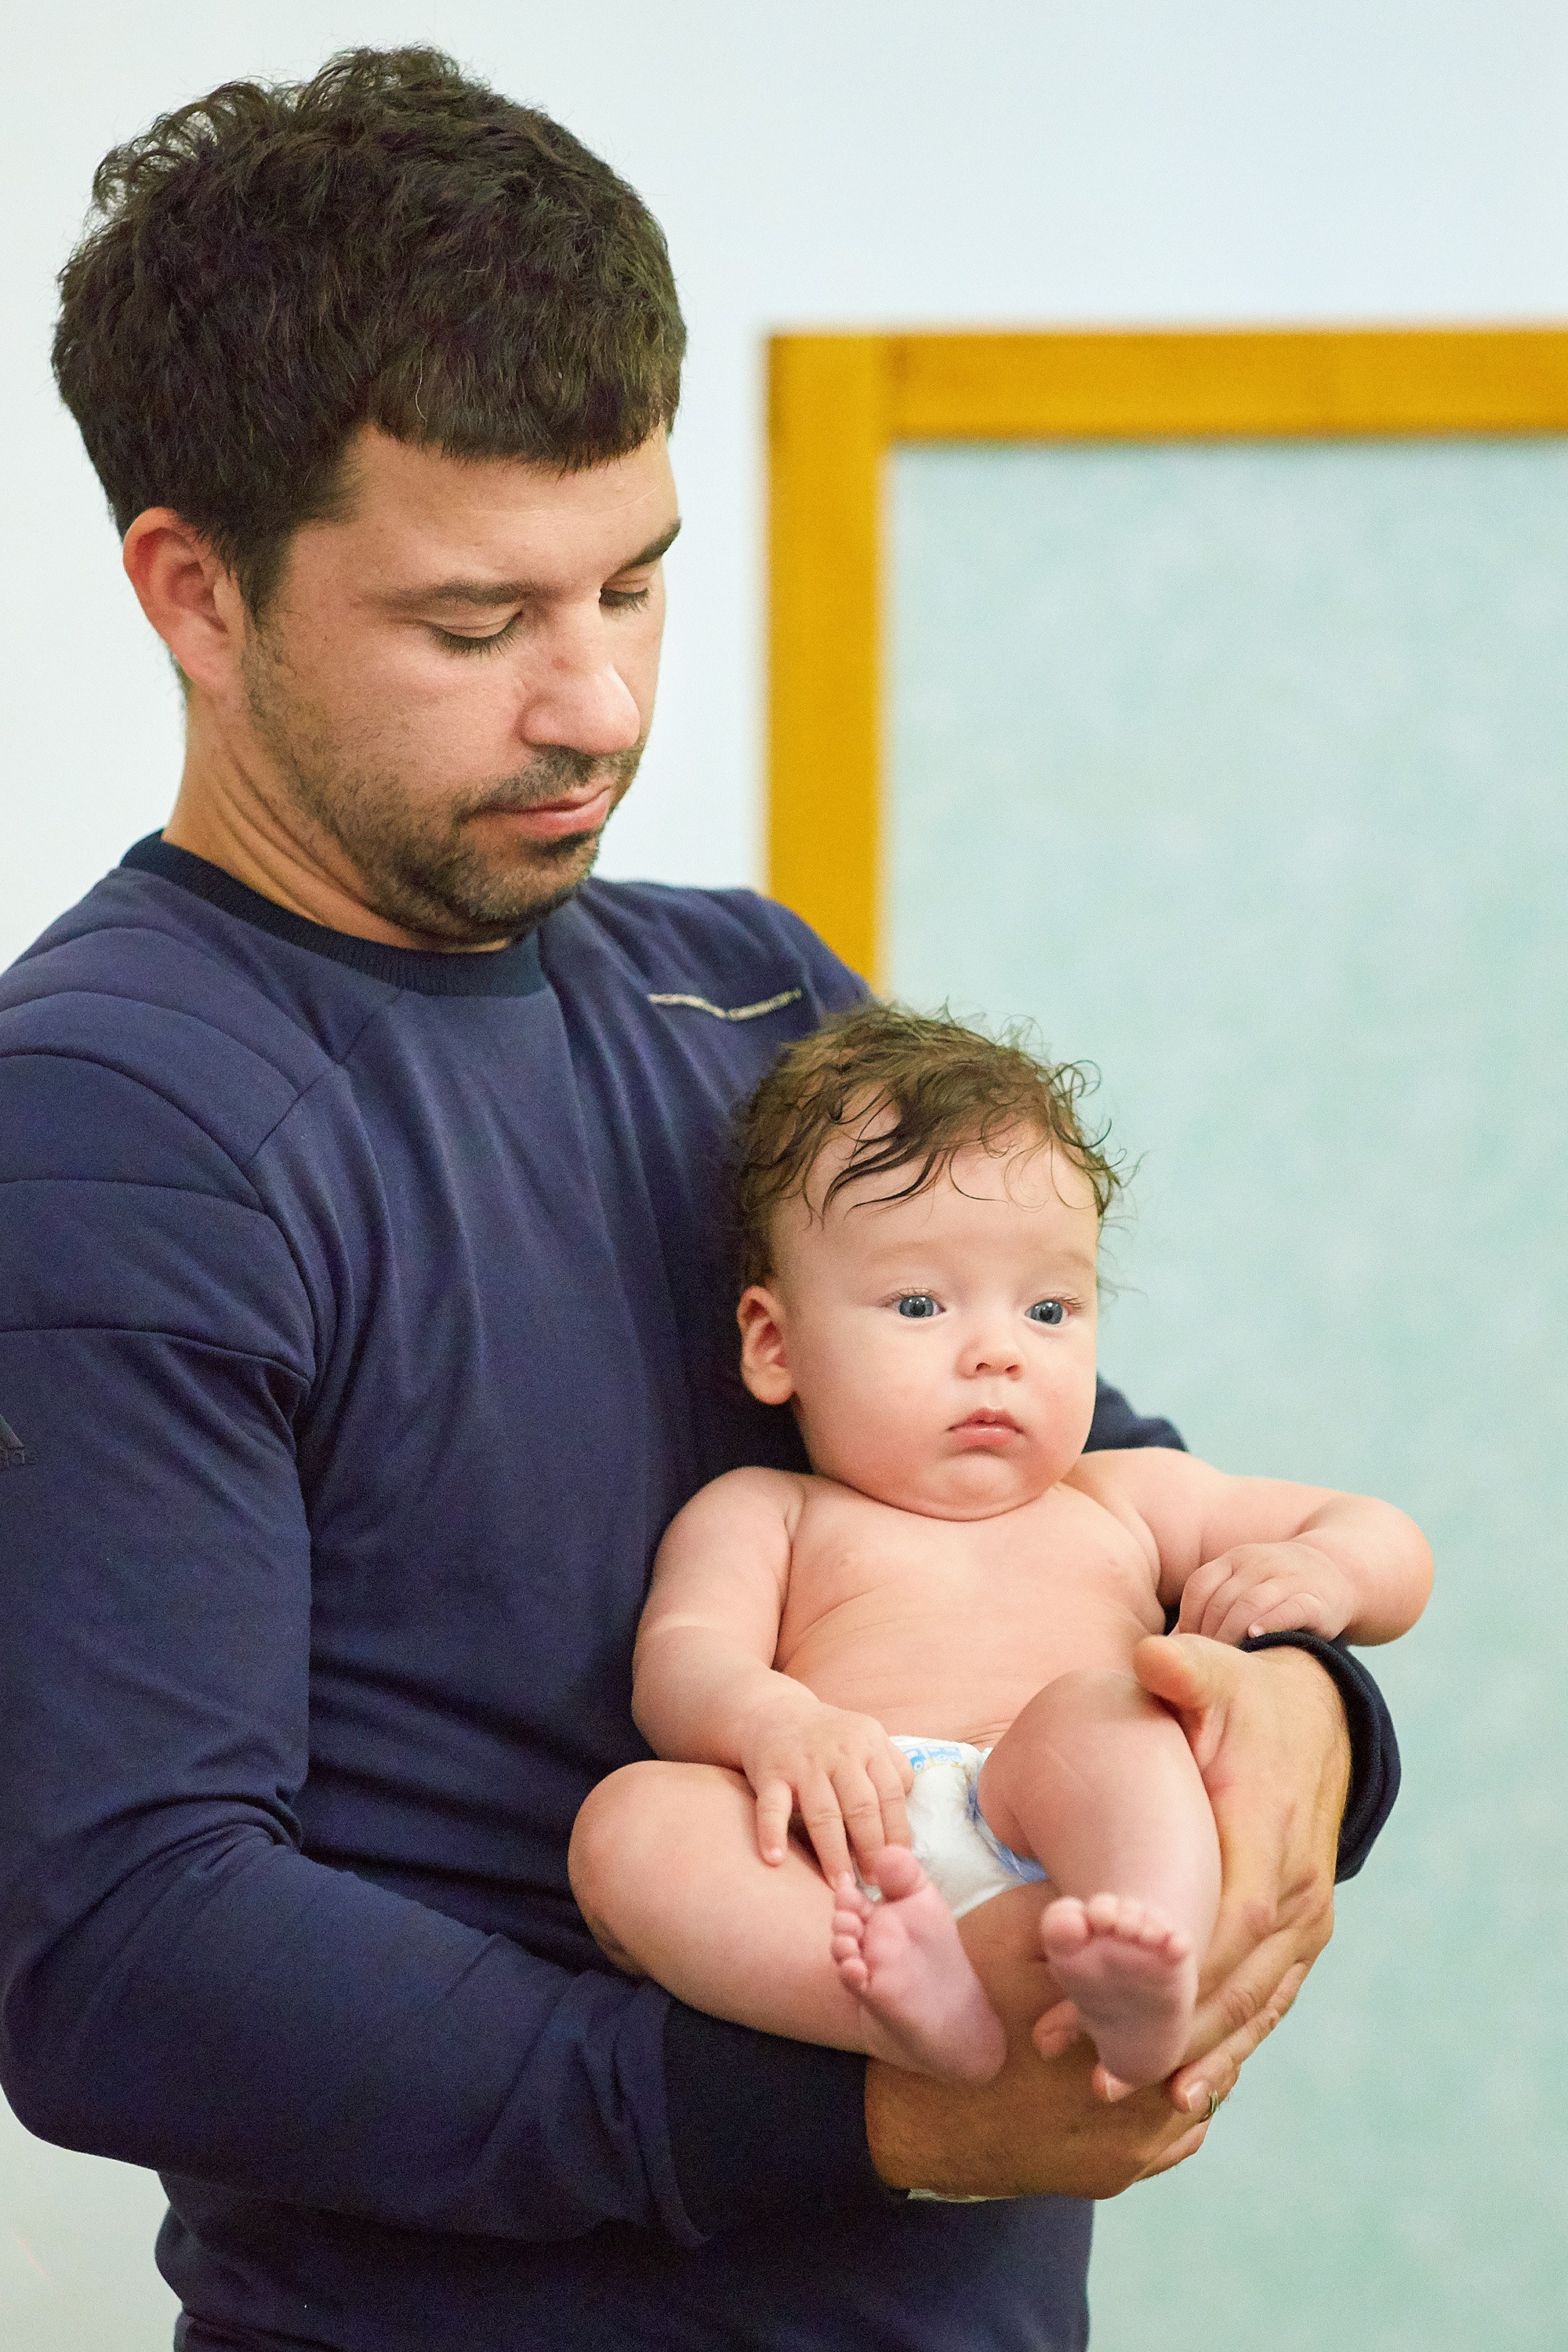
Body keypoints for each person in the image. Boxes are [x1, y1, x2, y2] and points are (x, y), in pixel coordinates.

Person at [0, 45, 1399, 2352]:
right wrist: (851, 2119)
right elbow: (129, 1955)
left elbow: (1084, 1489)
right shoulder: (115, 1125)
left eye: (637, 586)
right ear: (195, 593)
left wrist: (1315, 1727)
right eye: (475, 627)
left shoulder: (743, 997)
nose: (596, 704)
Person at [572, 1005, 1431, 2100]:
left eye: (1050, 1308)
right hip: (852, 1865)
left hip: (1064, 1840)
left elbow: (1382, 1535)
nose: (997, 1355)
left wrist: (1329, 1578)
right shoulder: (766, 1511)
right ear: (775, 1344)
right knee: (628, 1827)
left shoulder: (1120, 1497)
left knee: (1102, 1712)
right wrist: (775, 1720)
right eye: (921, 1304)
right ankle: (907, 2012)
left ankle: (1149, 1958)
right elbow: (682, 1661)